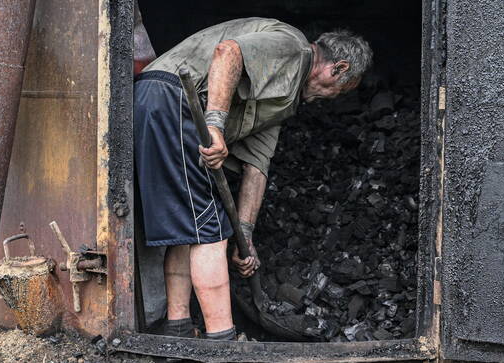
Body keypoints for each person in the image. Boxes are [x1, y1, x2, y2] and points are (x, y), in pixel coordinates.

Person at [133, 17, 372, 340]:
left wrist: (245, 237)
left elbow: (256, 168)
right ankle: (223, 340)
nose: (331, 98)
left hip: (159, 100)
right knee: (210, 230)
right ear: (337, 68)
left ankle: (177, 328)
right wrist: (215, 124)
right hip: (174, 97)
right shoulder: (294, 46)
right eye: (340, 90)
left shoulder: (284, 99)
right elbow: (228, 52)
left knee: (190, 224)